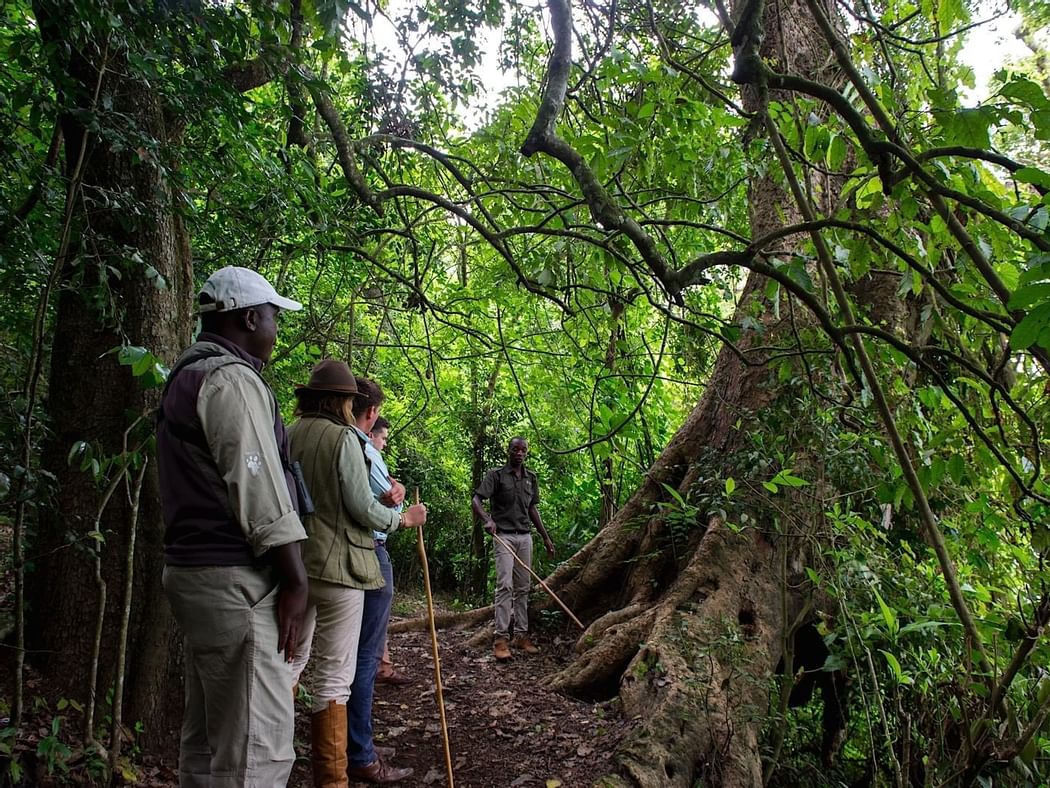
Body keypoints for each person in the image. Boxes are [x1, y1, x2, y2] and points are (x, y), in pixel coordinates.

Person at [157, 265, 309, 787]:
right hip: (233, 581)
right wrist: (294, 580)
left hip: (194, 573)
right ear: (249, 317)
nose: (275, 329)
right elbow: (259, 490)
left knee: (208, 740)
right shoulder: (229, 379)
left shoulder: (187, 373)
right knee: (255, 752)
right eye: (272, 317)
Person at [287, 361, 425, 787]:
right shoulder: (343, 437)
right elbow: (360, 506)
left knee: (291, 663)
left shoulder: (289, 432)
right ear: (344, 402)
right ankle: (334, 778)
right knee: (334, 674)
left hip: (292, 564)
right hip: (340, 567)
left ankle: (274, 756)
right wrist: (400, 520)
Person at [346, 381, 416, 782]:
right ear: (370, 414)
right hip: (367, 549)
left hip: (353, 552)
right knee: (362, 655)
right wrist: (404, 513)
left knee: (351, 655)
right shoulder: (355, 446)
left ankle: (357, 742)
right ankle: (359, 752)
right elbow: (381, 501)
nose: (384, 442)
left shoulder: (308, 433)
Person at [472, 436, 555, 662]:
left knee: (523, 587)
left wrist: (545, 537)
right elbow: (477, 499)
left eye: (523, 450)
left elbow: (532, 509)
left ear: (527, 453)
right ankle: (500, 639)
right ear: (508, 451)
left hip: (524, 537)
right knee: (505, 585)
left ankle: (521, 635)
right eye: (515, 449)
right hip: (504, 537)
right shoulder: (497, 475)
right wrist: (487, 520)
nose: (519, 453)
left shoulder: (531, 478)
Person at [368, 417, 413, 687]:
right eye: (383, 438)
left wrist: (399, 492)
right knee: (376, 613)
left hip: (372, 543)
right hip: (373, 543)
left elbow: (393, 495)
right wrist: (400, 503)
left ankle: (383, 664)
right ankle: (376, 667)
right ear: (371, 433)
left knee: (377, 612)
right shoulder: (369, 455)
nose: (384, 444)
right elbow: (393, 504)